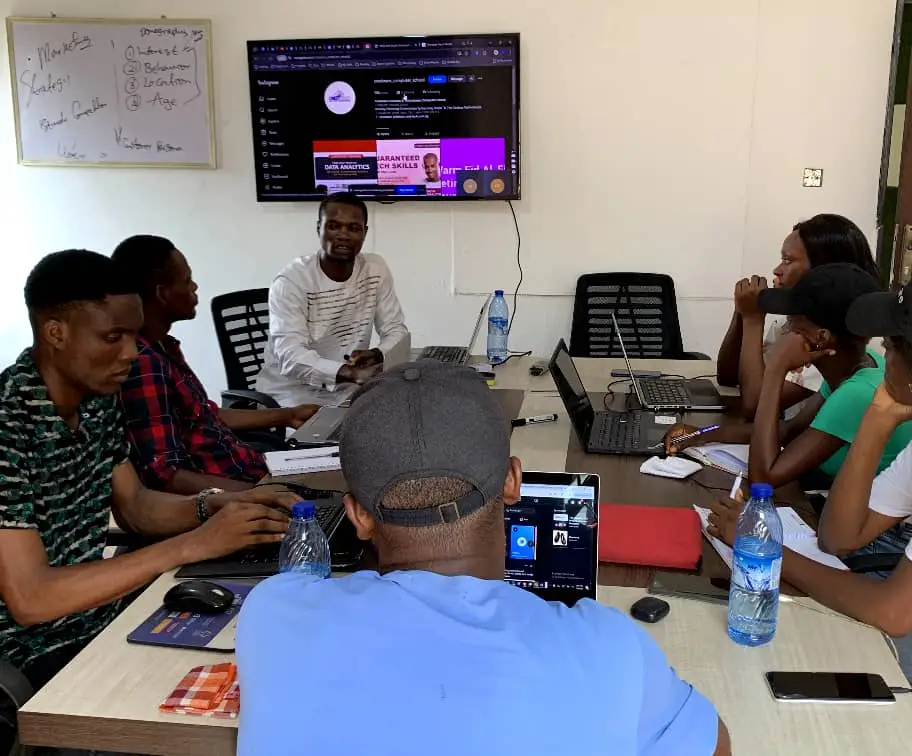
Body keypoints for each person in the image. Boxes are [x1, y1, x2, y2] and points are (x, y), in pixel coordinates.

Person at [237, 362, 730, 755]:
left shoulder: (272, 613)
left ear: (358, 515)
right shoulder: (610, 648)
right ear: (513, 481)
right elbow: (715, 746)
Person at [0, 250, 297, 753]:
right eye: (112, 338)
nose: (132, 354)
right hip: (34, 656)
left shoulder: (96, 403)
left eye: (134, 338)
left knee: (272, 658)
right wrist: (189, 547)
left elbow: (135, 506)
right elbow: (31, 599)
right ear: (56, 333)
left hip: (101, 620)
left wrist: (216, 506)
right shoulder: (9, 427)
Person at [707, 260, 912, 756]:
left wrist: (761, 545)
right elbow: (840, 537)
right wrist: (879, 414)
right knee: (786, 656)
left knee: (798, 735)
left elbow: (894, 612)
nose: (881, 352)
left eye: (891, 345)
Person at [665, 263, 912, 490]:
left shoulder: (858, 392)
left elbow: (763, 479)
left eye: (793, 323)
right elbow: (788, 432)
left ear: (820, 338)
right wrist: (703, 434)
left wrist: (776, 369)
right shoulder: (860, 365)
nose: (786, 329)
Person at [111, 235, 319, 494]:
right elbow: (165, 475)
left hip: (250, 467)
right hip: (234, 491)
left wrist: (287, 415)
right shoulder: (145, 364)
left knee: (336, 469)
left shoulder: (166, 347)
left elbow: (204, 414)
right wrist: (260, 495)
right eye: (187, 281)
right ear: (162, 294)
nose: (195, 287)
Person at [716, 214, 880, 419]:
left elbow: (754, 404)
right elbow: (728, 377)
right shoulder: (790, 322)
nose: (777, 270)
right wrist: (742, 312)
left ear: (825, 269)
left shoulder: (834, 339)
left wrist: (753, 320)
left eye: (788, 260)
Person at [255, 193, 409, 406]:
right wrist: (349, 373)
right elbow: (291, 356)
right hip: (291, 396)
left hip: (348, 388)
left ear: (364, 233)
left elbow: (396, 331)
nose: (343, 235)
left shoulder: (374, 269)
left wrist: (376, 354)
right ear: (319, 228)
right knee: (343, 436)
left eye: (353, 228)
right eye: (334, 226)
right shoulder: (292, 281)